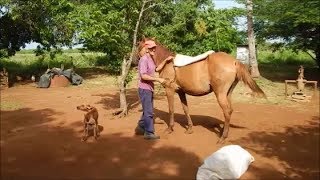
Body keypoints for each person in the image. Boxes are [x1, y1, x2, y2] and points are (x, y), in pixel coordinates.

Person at [135, 40, 173, 140]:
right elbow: (143, 76)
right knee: (149, 112)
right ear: (147, 49)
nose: (154, 49)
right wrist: (158, 79)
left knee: (148, 110)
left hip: (149, 88)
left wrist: (165, 60)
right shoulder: (143, 60)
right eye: (152, 48)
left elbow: (156, 69)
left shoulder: (150, 58)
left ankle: (140, 127)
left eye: (154, 47)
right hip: (144, 89)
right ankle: (149, 133)